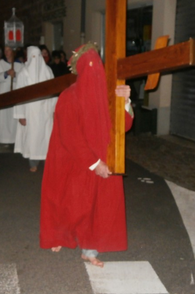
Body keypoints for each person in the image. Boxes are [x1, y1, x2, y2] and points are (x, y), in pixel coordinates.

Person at [39, 43, 134, 267]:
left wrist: (126, 101)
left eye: (97, 67)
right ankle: (60, 236)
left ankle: (89, 249)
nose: (94, 72)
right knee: (71, 203)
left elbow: (125, 125)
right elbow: (70, 137)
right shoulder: (69, 96)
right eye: (88, 66)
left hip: (103, 160)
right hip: (75, 162)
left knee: (97, 207)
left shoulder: (108, 94)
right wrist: (94, 163)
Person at [13, 46, 57, 172]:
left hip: (45, 110)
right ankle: (33, 162)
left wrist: (54, 109)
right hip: (30, 111)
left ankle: (47, 161)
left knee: (46, 136)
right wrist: (21, 114)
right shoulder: (23, 73)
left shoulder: (48, 71)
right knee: (33, 137)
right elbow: (19, 95)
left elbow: (54, 91)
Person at [0, 46, 23, 145]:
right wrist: (5, 74)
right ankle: (5, 139)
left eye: (9, 50)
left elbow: (24, 79)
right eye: (5, 50)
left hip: (15, 94)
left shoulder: (19, 65)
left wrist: (15, 75)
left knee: (14, 117)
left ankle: (15, 139)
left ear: (13, 51)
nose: (6, 52)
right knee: (4, 118)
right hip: (4, 94)